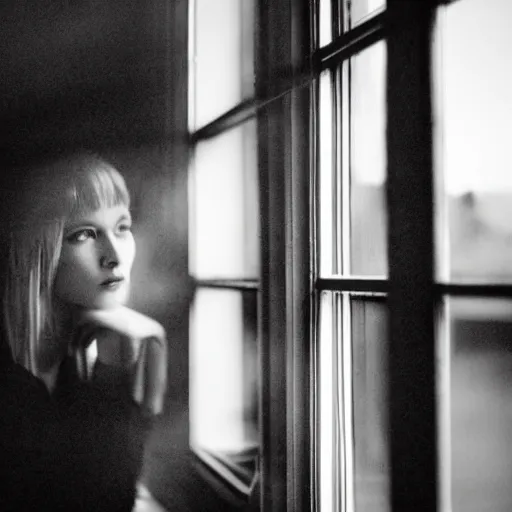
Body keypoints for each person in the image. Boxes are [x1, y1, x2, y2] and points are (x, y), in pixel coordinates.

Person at [0, 153, 168, 511]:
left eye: (122, 228)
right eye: (84, 234)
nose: (115, 256)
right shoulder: (16, 385)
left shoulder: (83, 355)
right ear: (39, 251)